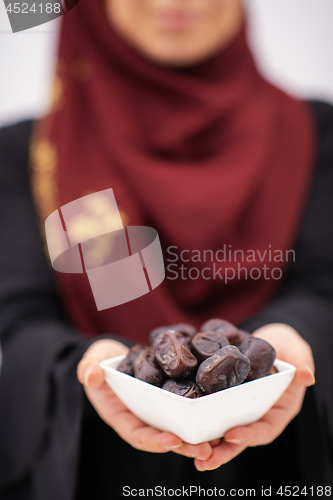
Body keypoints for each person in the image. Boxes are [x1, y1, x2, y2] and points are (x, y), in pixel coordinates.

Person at [0, 0, 332, 498]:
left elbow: (323, 283)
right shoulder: (26, 151)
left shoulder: (316, 134)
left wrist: (288, 341)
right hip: (86, 466)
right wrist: (91, 365)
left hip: (279, 470)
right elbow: (20, 317)